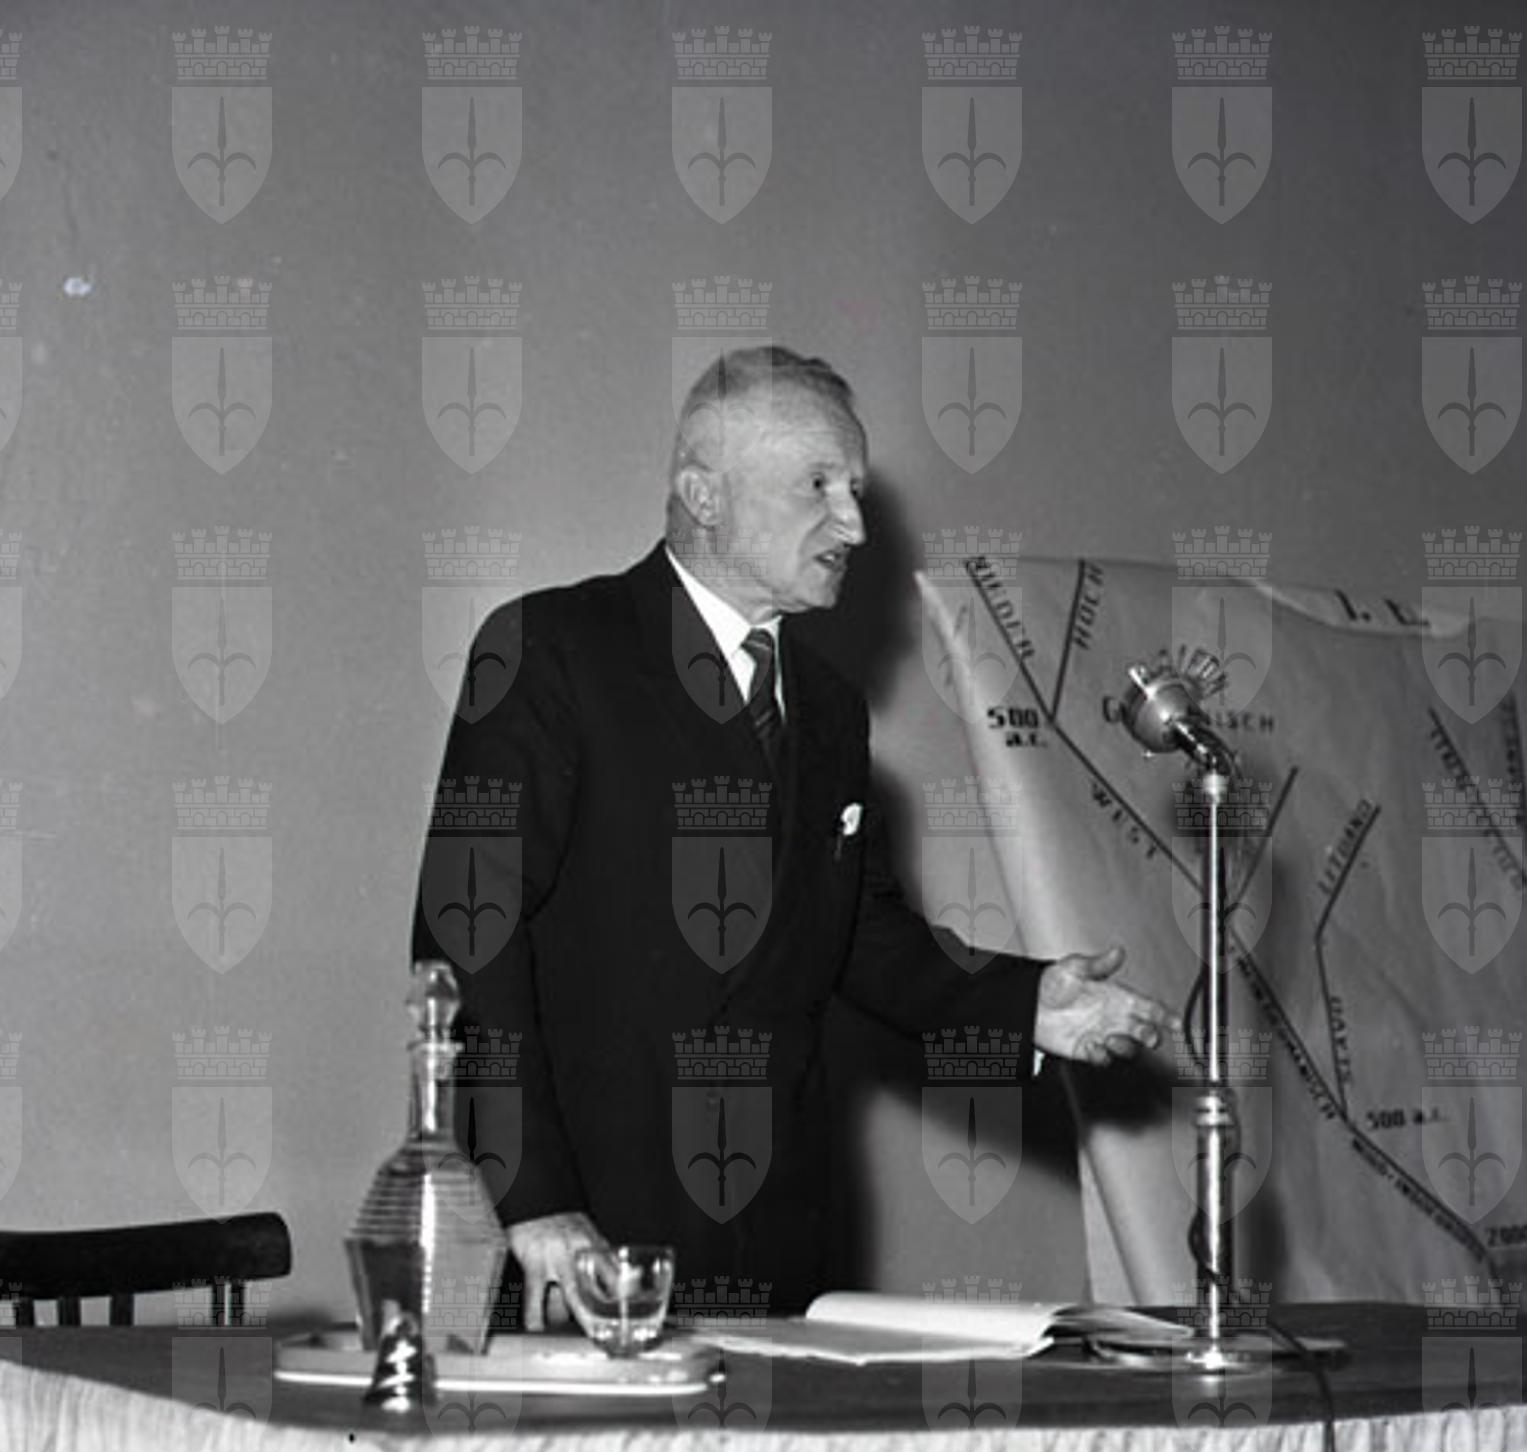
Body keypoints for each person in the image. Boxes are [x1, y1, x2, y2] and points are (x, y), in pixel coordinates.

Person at [412, 346, 1178, 1326]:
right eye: (818, 485)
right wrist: (531, 1200)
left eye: (855, 489)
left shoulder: (827, 707)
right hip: (579, 1248)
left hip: (780, 1254)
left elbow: (859, 936)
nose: (854, 524)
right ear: (703, 494)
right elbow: (464, 942)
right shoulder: (551, 651)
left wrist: (1026, 1003)